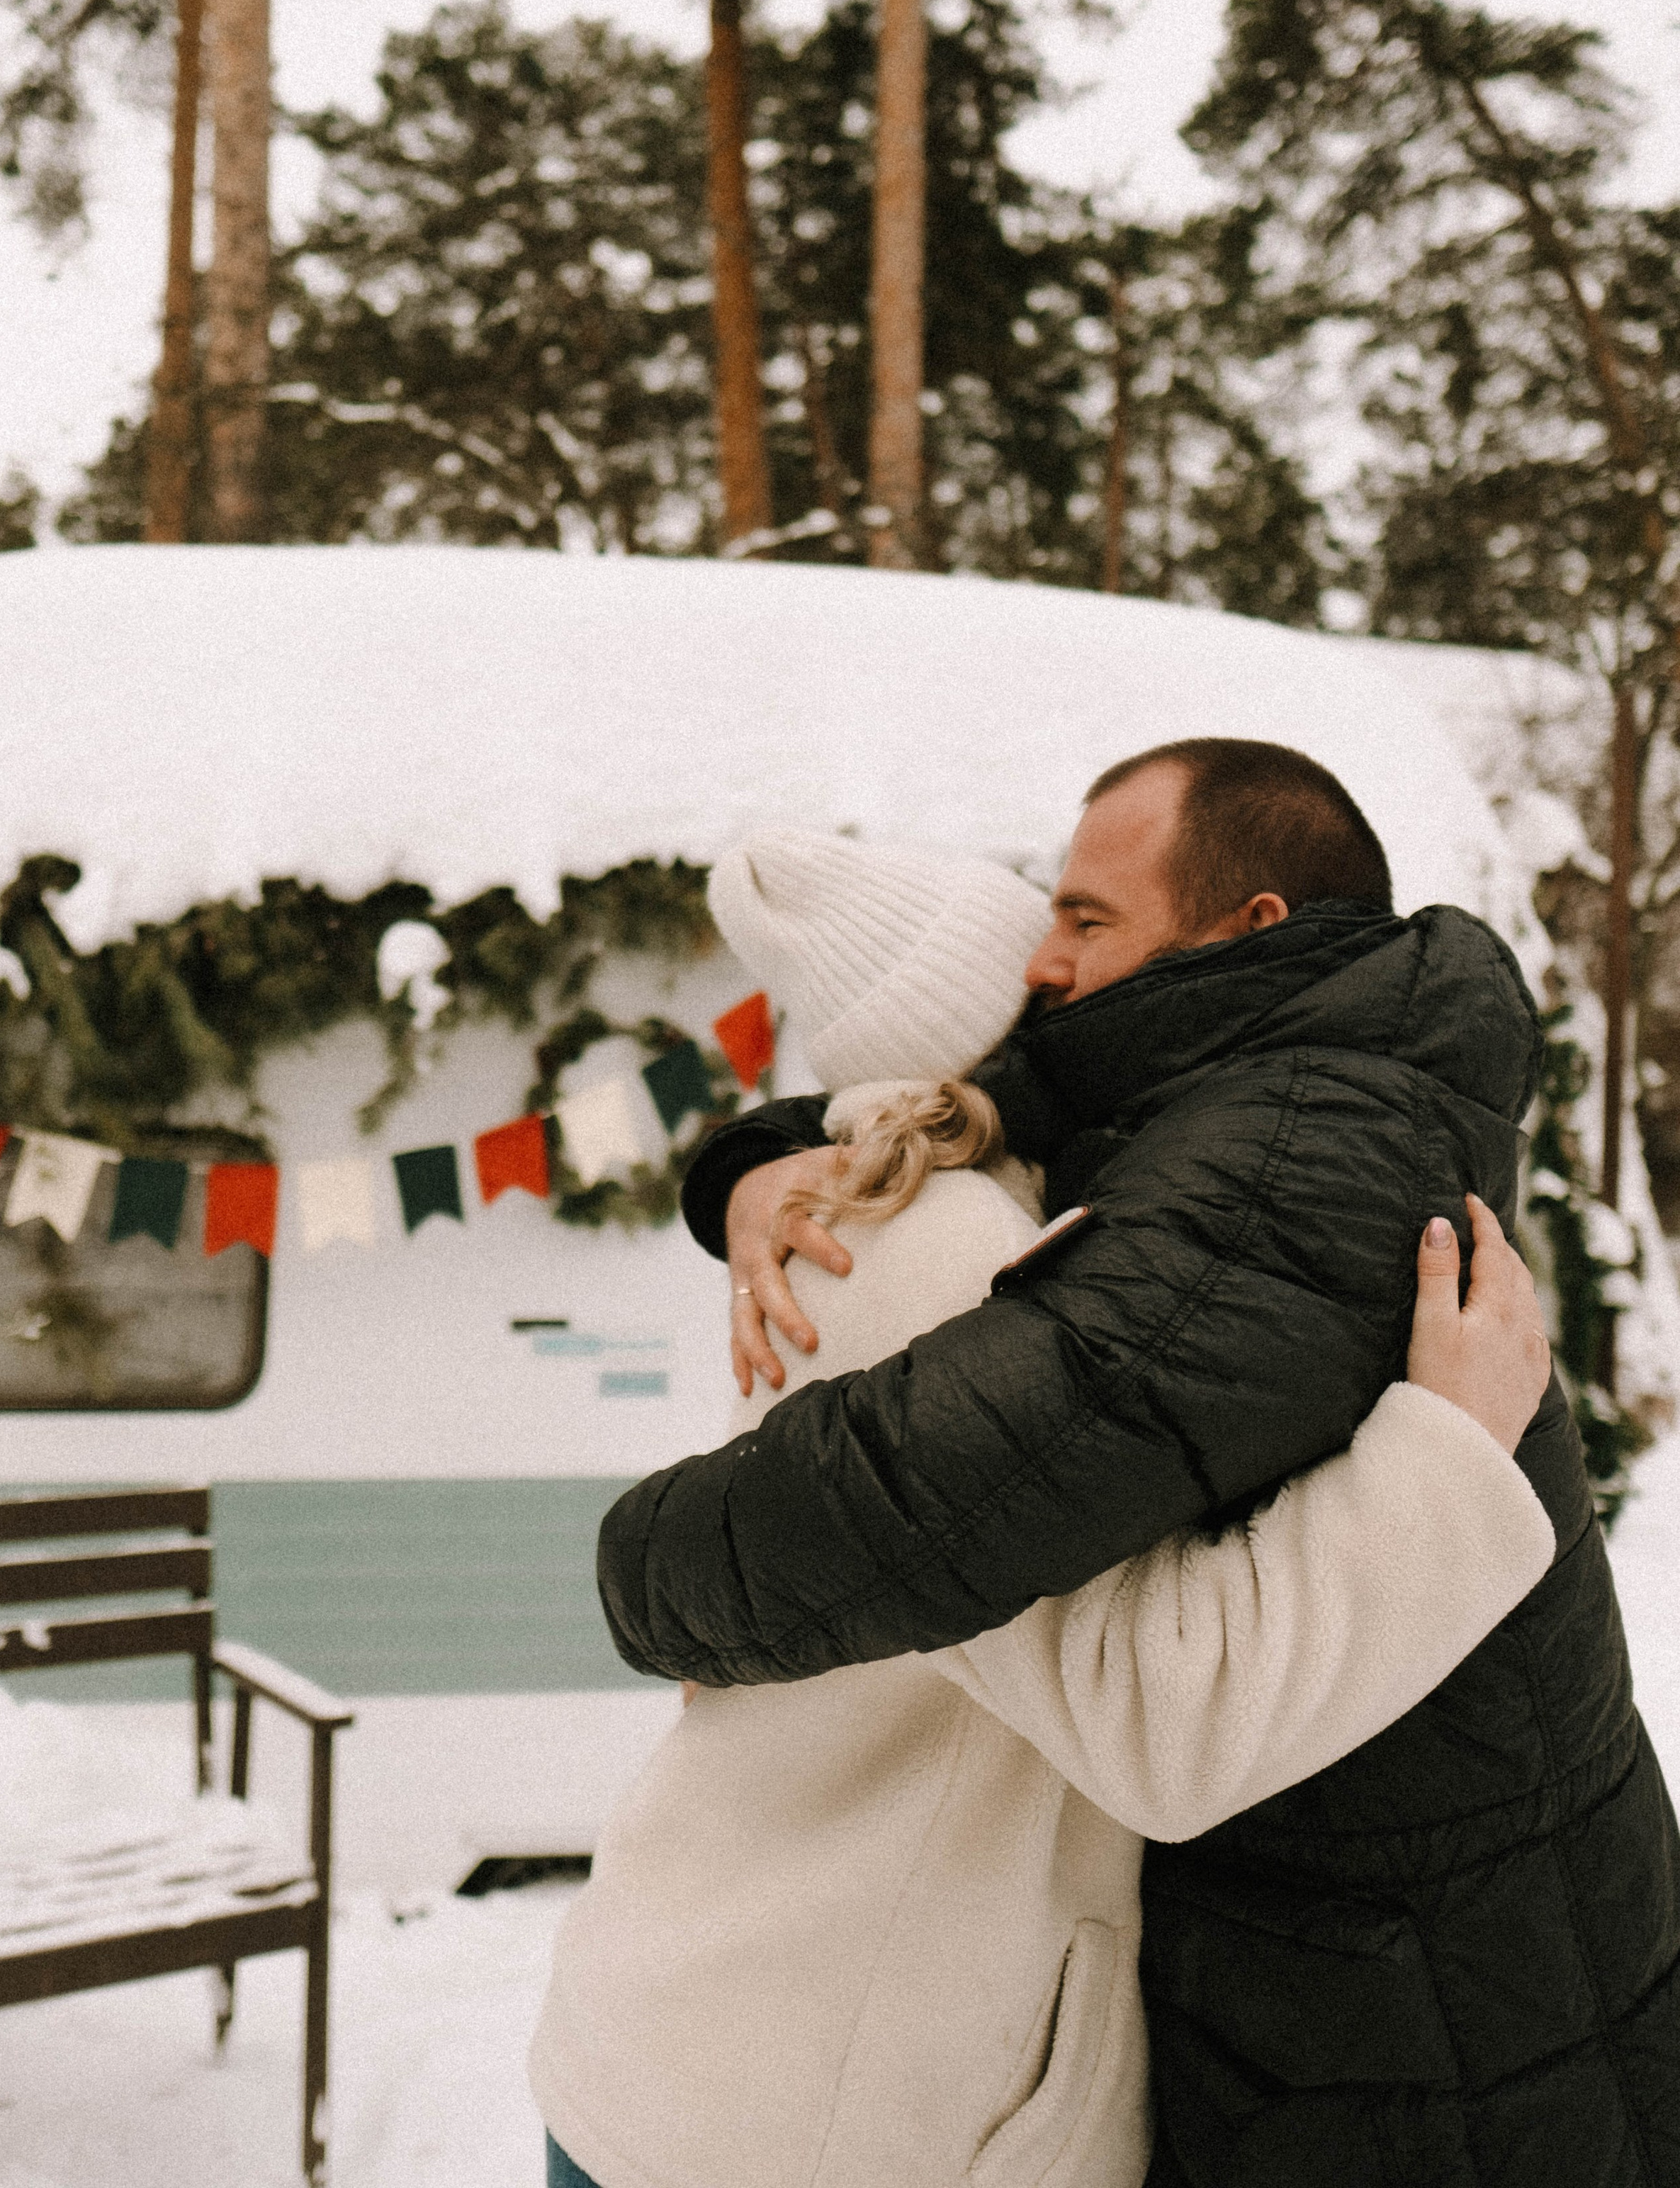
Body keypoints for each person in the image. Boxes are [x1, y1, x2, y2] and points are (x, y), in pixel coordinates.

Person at [597, 742, 1680, 2186]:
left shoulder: (1302, 1135)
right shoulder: (1248, 1094)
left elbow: (948, 1491)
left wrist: (641, 1565)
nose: (1047, 966)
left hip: (1437, 2006)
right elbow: (1006, 1104)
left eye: (1085, 921)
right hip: (1334, 1984)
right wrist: (759, 1159)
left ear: (1252, 929)